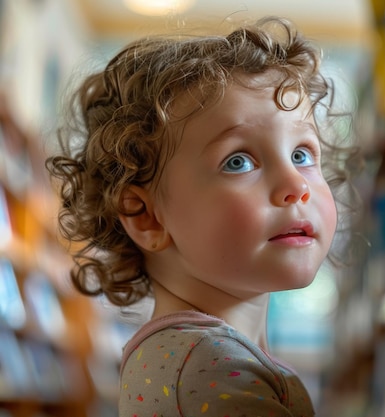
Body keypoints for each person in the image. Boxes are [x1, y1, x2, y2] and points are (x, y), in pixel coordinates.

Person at [46, 16, 360, 416]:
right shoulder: (207, 371)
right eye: (239, 161)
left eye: (302, 154)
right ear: (147, 217)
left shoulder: (196, 357)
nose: (295, 185)